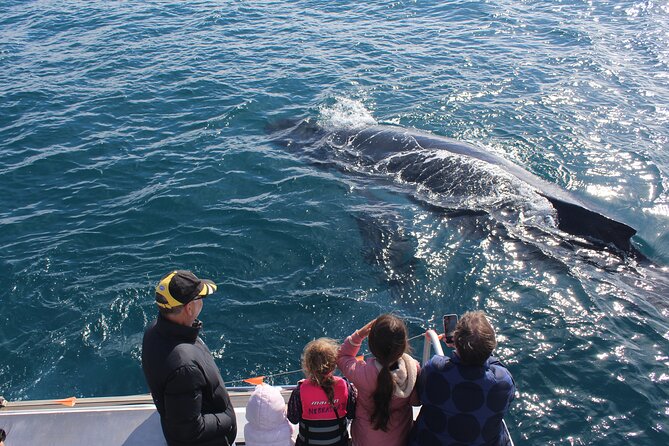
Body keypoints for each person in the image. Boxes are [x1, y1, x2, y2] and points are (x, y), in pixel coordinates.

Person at [141, 270, 237, 446]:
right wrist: (228, 418)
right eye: (199, 298)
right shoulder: (184, 367)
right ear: (189, 308)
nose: (201, 302)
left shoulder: (154, 330)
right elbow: (189, 430)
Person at [409, 311, 516, 446]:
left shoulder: (434, 369)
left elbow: (420, 393)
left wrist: (460, 347)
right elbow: (496, 367)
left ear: (456, 341)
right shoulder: (503, 383)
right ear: (491, 347)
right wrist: (464, 347)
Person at [337, 314, 420, 446]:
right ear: (404, 344)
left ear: (371, 345)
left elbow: (342, 357)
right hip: (400, 440)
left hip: (365, 440)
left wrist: (359, 335)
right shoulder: (413, 369)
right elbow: (416, 401)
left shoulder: (362, 373)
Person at [288, 338, 357, 446]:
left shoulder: (299, 391)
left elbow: (293, 419)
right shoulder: (346, 387)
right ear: (334, 364)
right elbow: (352, 414)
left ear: (308, 366)